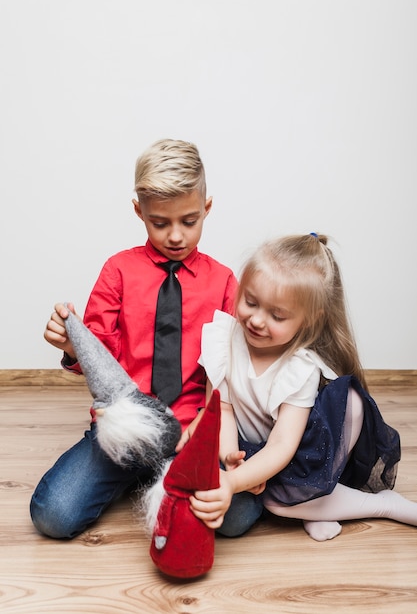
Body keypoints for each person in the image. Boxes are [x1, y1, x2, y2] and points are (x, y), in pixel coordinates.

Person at [30, 138, 238, 539]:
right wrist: (74, 348)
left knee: (241, 513)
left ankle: (157, 476)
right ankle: (136, 475)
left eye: (189, 221)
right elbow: (100, 358)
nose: (176, 236)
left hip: (191, 431)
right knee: (52, 516)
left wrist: (203, 424)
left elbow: (227, 371)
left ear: (207, 208)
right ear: (139, 211)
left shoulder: (224, 281)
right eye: (160, 223)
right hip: (123, 429)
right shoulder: (118, 271)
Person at [190, 233, 417, 542]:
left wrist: (234, 482)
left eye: (277, 315)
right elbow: (222, 410)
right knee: (232, 510)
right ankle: (318, 507)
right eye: (250, 302)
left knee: (277, 500)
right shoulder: (222, 341)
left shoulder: (300, 368)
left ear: (309, 320)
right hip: (250, 446)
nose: (256, 320)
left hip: (298, 450)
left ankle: (381, 506)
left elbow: (283, 445)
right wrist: (231, 457)